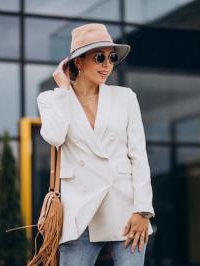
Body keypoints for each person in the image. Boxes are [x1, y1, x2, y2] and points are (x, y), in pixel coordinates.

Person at [36, 23, 155, 266]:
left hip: (125, 210)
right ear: (78, 62)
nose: (107, 65)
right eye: (99, 57)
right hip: (80, 214)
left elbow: (139, 155)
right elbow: (55, 137)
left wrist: (143, 210)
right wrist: (63, 91)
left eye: (111, 57)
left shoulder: (125, 98)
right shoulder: (52, 99)